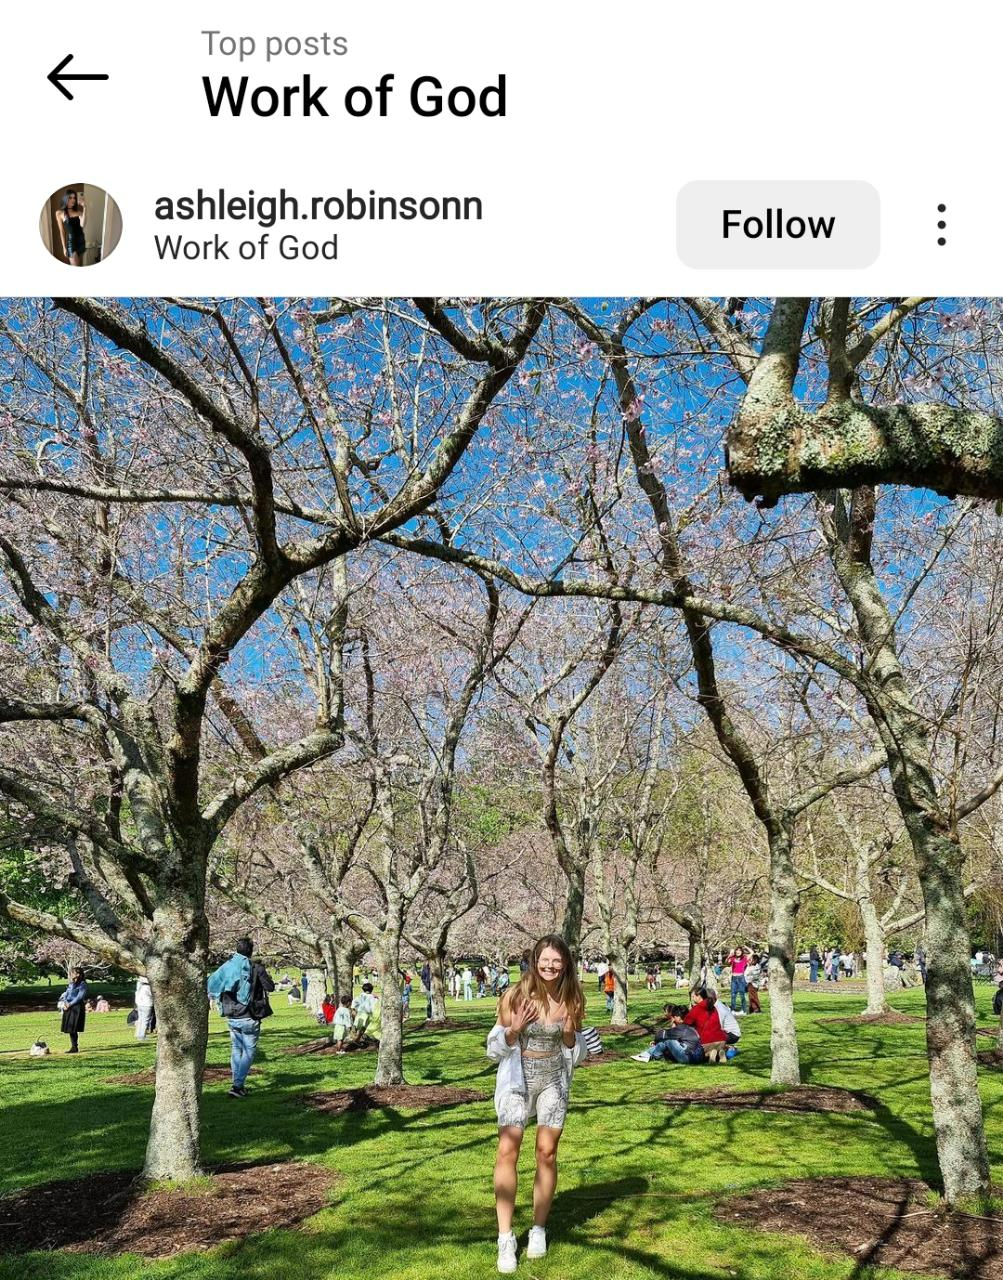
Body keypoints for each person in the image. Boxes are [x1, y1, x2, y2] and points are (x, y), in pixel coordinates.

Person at [488, 934, 585, 1273]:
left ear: (565, 965)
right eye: (545, 959)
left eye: (557, 961)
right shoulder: (515, 995)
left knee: (547, 1151)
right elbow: (493, 1049)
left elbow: (577, 1051)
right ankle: (505, 1237)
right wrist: (513, 1030)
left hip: (553, 1078)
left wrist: (571, 1033)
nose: (550, 966)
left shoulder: (573, 997)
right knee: (507, 1149)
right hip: (519, 1077)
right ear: (534, 960)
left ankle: (539, 1229)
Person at [207, 937, 275, 1098]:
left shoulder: (228, 967)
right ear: (250, 951)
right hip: (249, 1015)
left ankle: (237, 1084)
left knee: (236, 1049)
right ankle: (237, 1086)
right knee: (249, 1051)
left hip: (231, 1014)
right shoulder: (255, 968)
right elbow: (270, 987)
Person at [631, 1004, 705, 1064]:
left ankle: (654, 1056)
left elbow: (660, 1035)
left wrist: (656, 1041)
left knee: (668, 1041)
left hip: (690, 1058)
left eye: (673, 1017)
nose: (671, 1019)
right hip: (697, 1056)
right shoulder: (689, 1026)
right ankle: (646, 1055)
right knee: (667, 1041)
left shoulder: (681, 1028)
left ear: (678, 1018)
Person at [682, 988, 729, 1063]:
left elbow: (686, 1023)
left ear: (699, 996)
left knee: (700, 1053)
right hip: (721, 1040)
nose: (692, 998)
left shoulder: (696, 1009)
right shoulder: (713, 1007)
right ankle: (720, 1053)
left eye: (693, 996)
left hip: (707, 1042)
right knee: (718, 1046)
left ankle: (710, 1053)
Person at [58, 968, 88, 1053]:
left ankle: (75, 1047)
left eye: (73, 973)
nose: (71, 974)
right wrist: (65, 1003)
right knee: (70, 1028)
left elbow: (80, 997)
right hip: (68, 1007)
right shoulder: (71, 984)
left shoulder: (83, 984)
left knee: (74, 1028)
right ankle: (73, 1046)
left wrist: (70, 1004)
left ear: (78, 974)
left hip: (76, 1007)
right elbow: (66, 994)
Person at [57, 190, 86, 266]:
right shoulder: (59, 213)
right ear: (66, 198)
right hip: (71, 243)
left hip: (81, 240)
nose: (73, 200)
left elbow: (82, 224)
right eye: (70, 198)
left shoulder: (79, 212)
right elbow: (62, 231)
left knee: (79, 265)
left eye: (74, 198)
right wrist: (64, 247)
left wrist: (85, 207)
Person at [727, 947, 749, 1014]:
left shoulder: (744, 959)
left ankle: (744, 1010)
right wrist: (730, 955)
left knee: (742, 994)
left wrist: (746, 946)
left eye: (739, 950)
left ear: (742, 952)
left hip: (741, 978)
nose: (738, 952)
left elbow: (752, 952)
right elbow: (727, 962)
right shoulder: (733, 958)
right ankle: (733, 1010)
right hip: (734, 978)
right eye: (737, 950)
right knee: (733, 995)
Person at [134, 975, 155, 1040]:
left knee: (140, 1019)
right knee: (145, 1020)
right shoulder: (148, 987)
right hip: (146, 1004)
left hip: (139, 1003)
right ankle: (142, 1036)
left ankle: (137, 1034)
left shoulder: (139, 985)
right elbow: (152, 995)